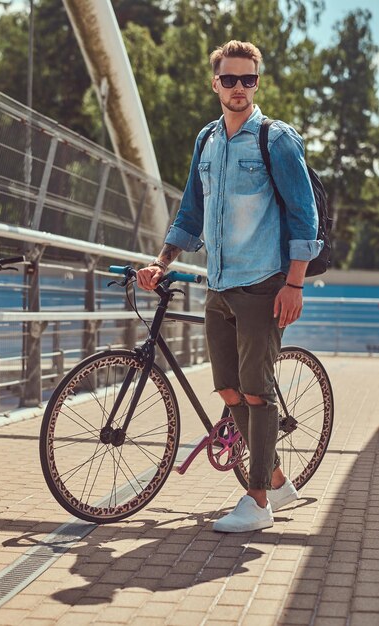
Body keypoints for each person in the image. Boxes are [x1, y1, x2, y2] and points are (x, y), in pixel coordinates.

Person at [137, 40, 322, 533]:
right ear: (215, 82)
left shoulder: (275, 139)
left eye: (248, 79)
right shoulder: (208, 141)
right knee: (228, 388)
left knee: (258, 394)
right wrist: (161, 262)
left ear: (257, 82)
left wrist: (295, 284)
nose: (239, 88)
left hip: (264, 284)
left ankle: (257, 501)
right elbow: (190, 213)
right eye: (229, 79)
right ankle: (278, 479)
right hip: (219, 284)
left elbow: (306, 215)